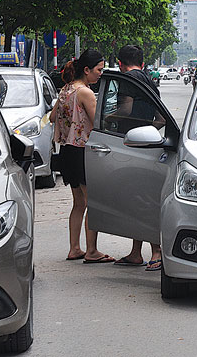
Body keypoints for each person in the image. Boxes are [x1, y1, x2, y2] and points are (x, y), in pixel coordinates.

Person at [50, 49, 115, 264]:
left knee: (79, 202)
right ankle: (92, 250)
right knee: (92, 202)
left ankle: (74, 248)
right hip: (83, 151)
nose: (100, 74)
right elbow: (99, 122)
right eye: (98, 70)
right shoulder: (85, 92)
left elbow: (52, 117)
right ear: (86, 70)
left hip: (67, 151)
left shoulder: (65, 90)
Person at [112, 44, 163, 271]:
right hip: (148, 143)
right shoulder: (150, 81)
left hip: (131, 145)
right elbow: (161, 119)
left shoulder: (127, 80)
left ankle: (156, 252)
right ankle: (135, 253)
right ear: (142, 62)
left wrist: (105, 120)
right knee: (138, 197)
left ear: (120, 63)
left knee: (141, 199)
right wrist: (148, 132)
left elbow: (124, 110)